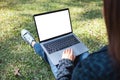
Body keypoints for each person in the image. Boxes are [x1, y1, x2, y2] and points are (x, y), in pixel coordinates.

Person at [21, 0, 120, 79]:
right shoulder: (104, 56)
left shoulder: (91, 69)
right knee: (79, 54)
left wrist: (65, 62)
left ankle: (33, 43)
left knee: (48, 53)